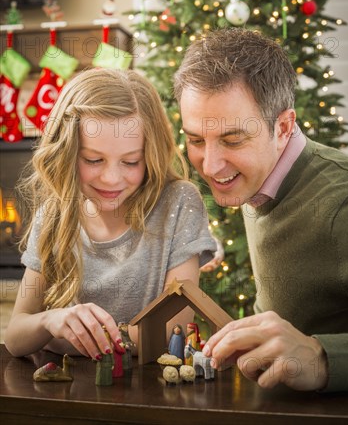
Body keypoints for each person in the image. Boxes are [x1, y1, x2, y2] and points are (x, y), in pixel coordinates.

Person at [174, 28, 348, 393]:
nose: (210, 167)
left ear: (283, 127)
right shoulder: (259, 179)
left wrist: (321, 356)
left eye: (233, 140)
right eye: (196, 139)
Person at [5, 68, 216, 361]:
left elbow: (170, 330)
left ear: (150, 154)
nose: (110, 178)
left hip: (147, 393)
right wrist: (50, 320)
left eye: (130, 161)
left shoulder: (179, 203)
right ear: (67, 152)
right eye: (93, 159)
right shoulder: (55, 212)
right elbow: (16, 337)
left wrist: (67, 339)